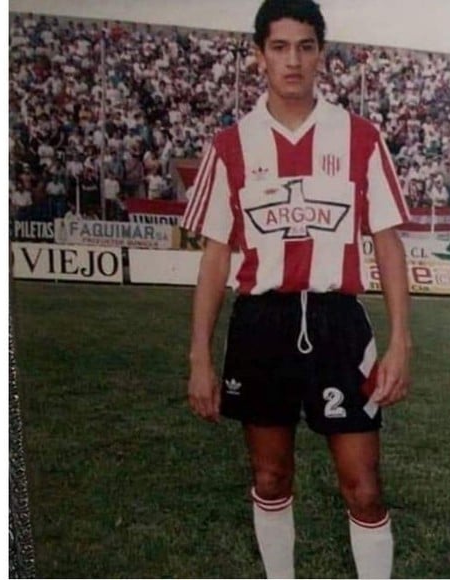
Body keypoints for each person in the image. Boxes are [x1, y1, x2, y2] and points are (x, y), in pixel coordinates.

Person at [181, 1, 412, 578]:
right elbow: (214, 257)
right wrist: (198, 357)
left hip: (338, 323)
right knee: (270, 477)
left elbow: (387, 243)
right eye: (280, 47)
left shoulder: (359, 138)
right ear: (260, 55)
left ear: (320, 57)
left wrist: (402, 341)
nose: (293, 60)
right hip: (262, 325)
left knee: (363, 486)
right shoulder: (230, 146)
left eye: (305, 47)